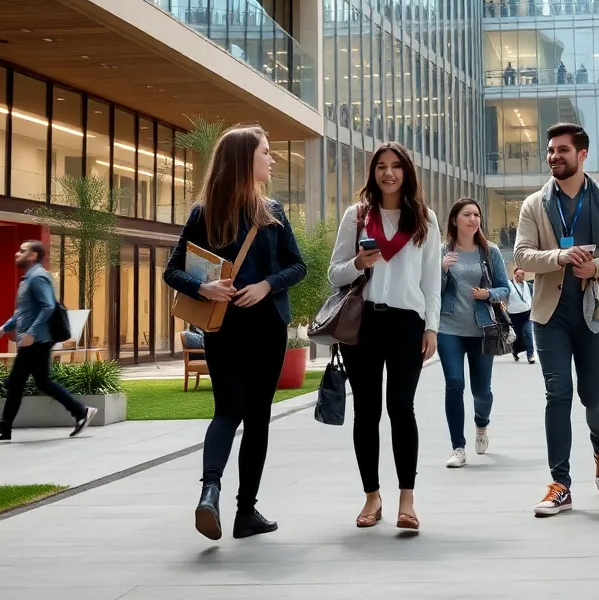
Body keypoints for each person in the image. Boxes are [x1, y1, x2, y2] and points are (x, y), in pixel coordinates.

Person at [162, 125, 307, 541]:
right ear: (246, 159)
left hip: (225, 327)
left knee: (227, 411)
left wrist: (263, 284)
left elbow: (171, 271)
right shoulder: (263, 211)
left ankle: (211, 490)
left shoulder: (211, 212)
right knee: (256, 417)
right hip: (256, 329)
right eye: (266, 152)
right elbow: (297, 267)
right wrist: (207, 285)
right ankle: (245, 513)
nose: (272, 159)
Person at [514, 123, 599, 517]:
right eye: (550, 150)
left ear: (581, 155)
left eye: (562, 150)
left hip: (595, 312)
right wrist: (559, 258)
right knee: (558, 394)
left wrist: (598, 267)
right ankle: (560, 483)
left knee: (594, 395)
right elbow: (521, 256)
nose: (554, 156)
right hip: (550, 316)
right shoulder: (535, 204)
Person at [329, 142, 440, 535]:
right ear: (373, 172)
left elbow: (432, 281)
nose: (388, 173)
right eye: (381, 167)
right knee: (367, 412)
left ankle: (407, 500)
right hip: (363, 325)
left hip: (407, 325)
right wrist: (358, 263)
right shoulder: (357, 216)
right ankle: (372, 496)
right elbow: (334, 273)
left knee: (401, 409)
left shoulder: (423, 219)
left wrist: (432, 328)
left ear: (407, 172)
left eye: (395, 166)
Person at [0, 241, 96, 442]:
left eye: (22, 251)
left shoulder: (38, 277)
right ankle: (80, 411)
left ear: (33, 255)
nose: (16, 254)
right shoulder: (28, 278)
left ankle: (4, 429)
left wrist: (31, 333)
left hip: (37, 340)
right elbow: (23, 312)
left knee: (16, 382)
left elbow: (47, 306)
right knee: (40, 382)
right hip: (34, 340)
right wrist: (3, 329)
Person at [438, 198, 510, 469]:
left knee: (482, 391)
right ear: (455, 219)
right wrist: (442, 269)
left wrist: (487, 294)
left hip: (482, 329)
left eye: (477, 215)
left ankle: (482, 424)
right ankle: (458, 447)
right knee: (454, 384)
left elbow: (505, 288)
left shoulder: (489, 252)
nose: (473, 219)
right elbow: (433, 289)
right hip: (449, 328)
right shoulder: (442, 252)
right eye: (467, 214)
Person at [507, 266, 535, 364]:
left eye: (522, 275)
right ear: (514, 275)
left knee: (528, 333)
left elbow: (533, 296)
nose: (521, 276)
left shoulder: (528, 285)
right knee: (517, 336)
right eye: (518, 275)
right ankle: (515, 351)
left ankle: (530, 355)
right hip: (514, 315)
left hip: (526, 314)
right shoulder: (509, 285)